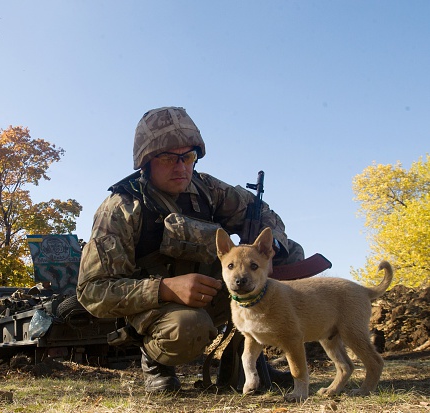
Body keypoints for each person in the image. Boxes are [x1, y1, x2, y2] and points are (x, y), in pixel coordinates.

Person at [76, 106, 304, 392]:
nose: (181, 167)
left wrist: (270, 251)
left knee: (291, 255)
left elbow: (265, 215)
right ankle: (157, 365)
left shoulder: (207, 189)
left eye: (188, 157)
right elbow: (93, 290)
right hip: (159, 309)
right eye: (168, 158)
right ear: (146, 161)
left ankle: (247, 364)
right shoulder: (122, 208)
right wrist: (166, 289)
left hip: (218, 290)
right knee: (188, 327)